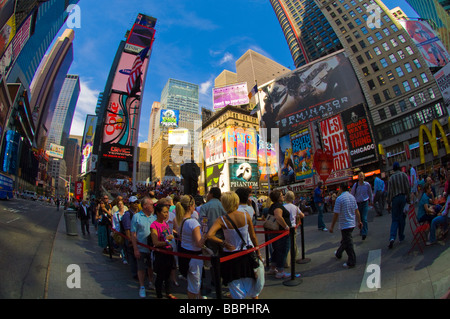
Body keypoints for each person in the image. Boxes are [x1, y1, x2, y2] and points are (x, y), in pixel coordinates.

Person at [207, 191, 263, 299]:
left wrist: (223, 243)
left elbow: (210, 235)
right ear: (236, 202)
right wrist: (258, 253)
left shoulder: (221, 219)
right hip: (246, 254)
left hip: (231, 256)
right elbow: (253, 237)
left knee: (235, 287)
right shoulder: (246, 215)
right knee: (252, 287)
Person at [176, 195, 206, 299]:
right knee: (195, 285)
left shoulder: (181, 220)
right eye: (193, 204)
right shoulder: (193, 222)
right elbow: (199, 243)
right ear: (190, 206)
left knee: (192, 283)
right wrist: (205, 236)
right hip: (194, 257)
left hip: (185, 254)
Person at [329, 182, 363, 269]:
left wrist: (332, 226)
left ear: (340, 188)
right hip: (352, 222)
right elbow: (357, 210)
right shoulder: (352, 197)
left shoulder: (339, 199)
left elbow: (336, 214)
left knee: (348, 243)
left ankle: (351, 261)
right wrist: (359, 221)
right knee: (345, 240)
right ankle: (338, 253)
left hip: (345, 224)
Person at [131, 197, 157, 298]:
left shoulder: (153, 217)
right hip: (141, 247)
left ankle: (150, 281)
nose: (153, 206)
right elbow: (133, 234)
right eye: (151, 204)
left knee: (151, 267)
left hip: (151, 248)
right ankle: (142, 286)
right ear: (145, 206)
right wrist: (135, 249)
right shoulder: (137, 217)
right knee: (141, 267)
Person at [150, 202, 177, 299]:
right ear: (158, 213)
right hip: (161, 253)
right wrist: (166, 242)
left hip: (168, 251)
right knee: (160, 275)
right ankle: (159, 294)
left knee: (168, 274)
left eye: (167, 212)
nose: (166, 214)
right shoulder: (154, 225)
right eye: (164, 212)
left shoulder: (165, 223)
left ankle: (168, 292)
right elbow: (155, 242)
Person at [266, 190, 292, 279]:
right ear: (278, 197)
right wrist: (286, 226)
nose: (283, 196)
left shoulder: (273, 206)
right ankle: (280, 271)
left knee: (276, 251)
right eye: (281, 195)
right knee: (282, 250)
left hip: (275, 233)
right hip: (281, 233)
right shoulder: (277, 206)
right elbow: (278, 216)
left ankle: (273, 267)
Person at [387, 162, 411, 249]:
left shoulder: (391, 178)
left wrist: (389, 203)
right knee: (402, 218)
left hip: (395, 199)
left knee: (394, 219)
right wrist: (408, 199)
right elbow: (408, 187)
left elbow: (389, 192)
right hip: (402, 198)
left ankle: (392, 237)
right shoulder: (403, 175)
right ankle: (401, 236)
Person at [199, 187, 227, 253]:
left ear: (211, 194)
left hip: (209, 236)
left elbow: (203, 222)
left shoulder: (205, 207)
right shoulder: (224, 206)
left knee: (211, 255)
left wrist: (204, 235)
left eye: (208, 193)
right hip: (222, 235)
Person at [122, 196, 140, 279]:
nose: (136, 204)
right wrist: (130, 240)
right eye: (134, 203)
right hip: (131, 238)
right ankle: (134, 273)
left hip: (138, 238)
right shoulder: (127, 214)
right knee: (132, 255)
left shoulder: (138, 213)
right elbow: (127, 228)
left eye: (137, 202)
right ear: (130, 204)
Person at [351, 171, 373, 240]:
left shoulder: (367, 185)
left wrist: (371, 201)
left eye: (362, 176)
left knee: (364, 218)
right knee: (359, 219)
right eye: (360, 176)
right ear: (358, 177)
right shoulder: (355, 185)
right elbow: (352, 194)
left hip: (365, 203)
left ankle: (364, 232)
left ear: (364, 177)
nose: (361, 177)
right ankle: (361, 230)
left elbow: (370, 193)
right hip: (358, 204)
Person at [284, 191, 304, 262]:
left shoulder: (283, 207)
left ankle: (287, 259)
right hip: (294, 226)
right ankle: (295, 256)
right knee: (294, 242)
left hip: (285, 227)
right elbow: (302, 215)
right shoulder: (295, 207)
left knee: (286, 243)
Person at [112, 199, 127, 264]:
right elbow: (114, 224)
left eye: (121, 204)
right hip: (119, 231)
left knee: (126, 244)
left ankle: (127, 256)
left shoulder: (126, 213)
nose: (120, 205)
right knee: (121, 245)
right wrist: (115, 231)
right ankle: (124, 257)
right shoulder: (116, 214)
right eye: (119, 204)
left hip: (126, 230)